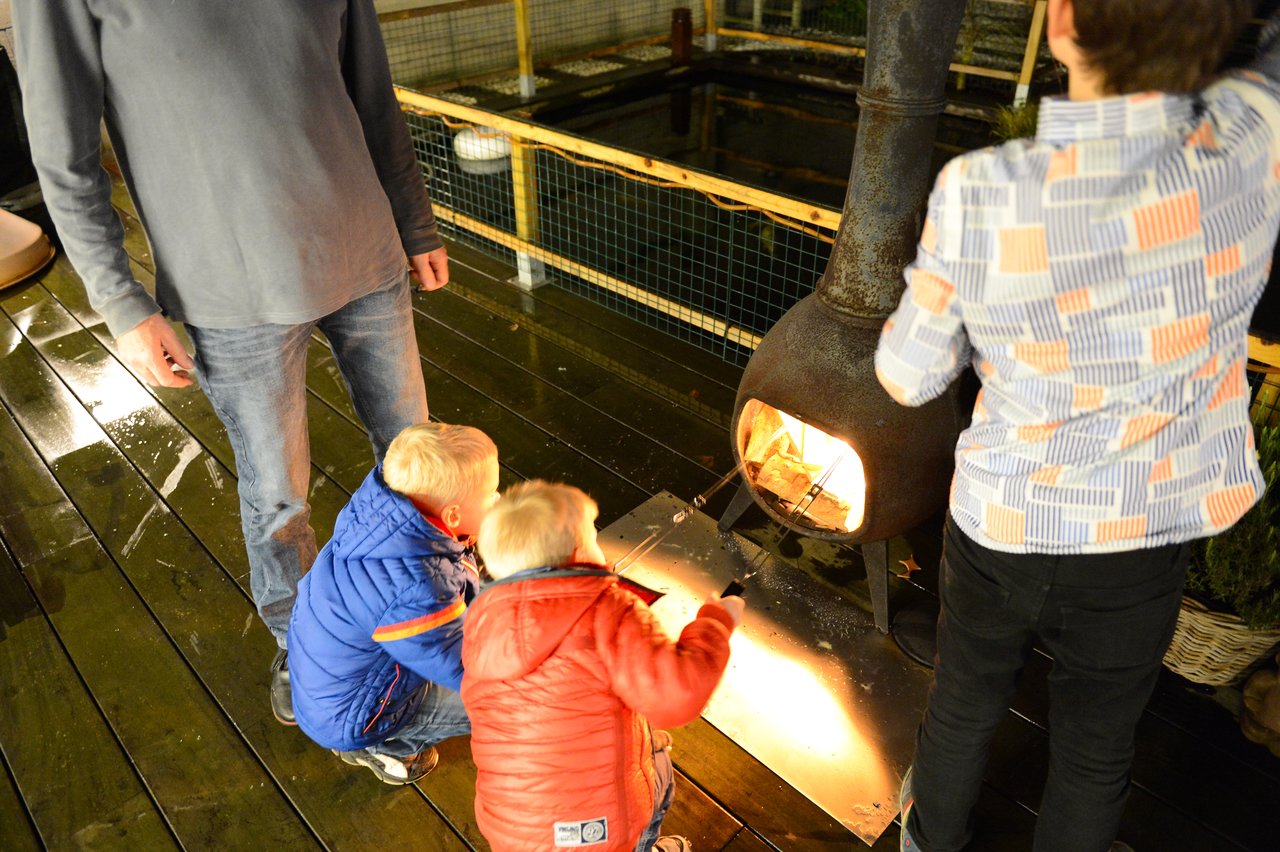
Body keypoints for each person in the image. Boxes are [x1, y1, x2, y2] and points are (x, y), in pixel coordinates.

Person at [874, 1, 1277, 850]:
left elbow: (908, 378)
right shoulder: (1252, 147)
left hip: (1002, 523)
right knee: (1097, 747)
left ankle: (924, 842)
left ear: (1061, 23)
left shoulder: (982, 191)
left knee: (964, 700)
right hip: (1142, 535)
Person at [12, 0, 448, 723]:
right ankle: (302, 643)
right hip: (229, 284)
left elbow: (372, 94)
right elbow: (63, 157)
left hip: (367, 249)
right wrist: (122, 303)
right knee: (279, 497)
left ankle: (429, 599)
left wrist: (413, 218)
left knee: (416, 459)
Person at [461, 481, 744, 852]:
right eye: (594, 536)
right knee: (655, 782)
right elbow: (678, 695)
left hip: (510, 825)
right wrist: (715, 624)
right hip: (593, 829)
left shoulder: (482, 624)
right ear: (579, 551)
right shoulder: (609, 610)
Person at [288, 422, 497, 784]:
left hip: (328, 680)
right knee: (505, 700)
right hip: (355, 714)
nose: (498, 500)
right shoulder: (415, 589)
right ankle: (390, 745)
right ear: (451, 516)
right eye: (491, 493)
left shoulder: (384, 515)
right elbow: (469, 671)